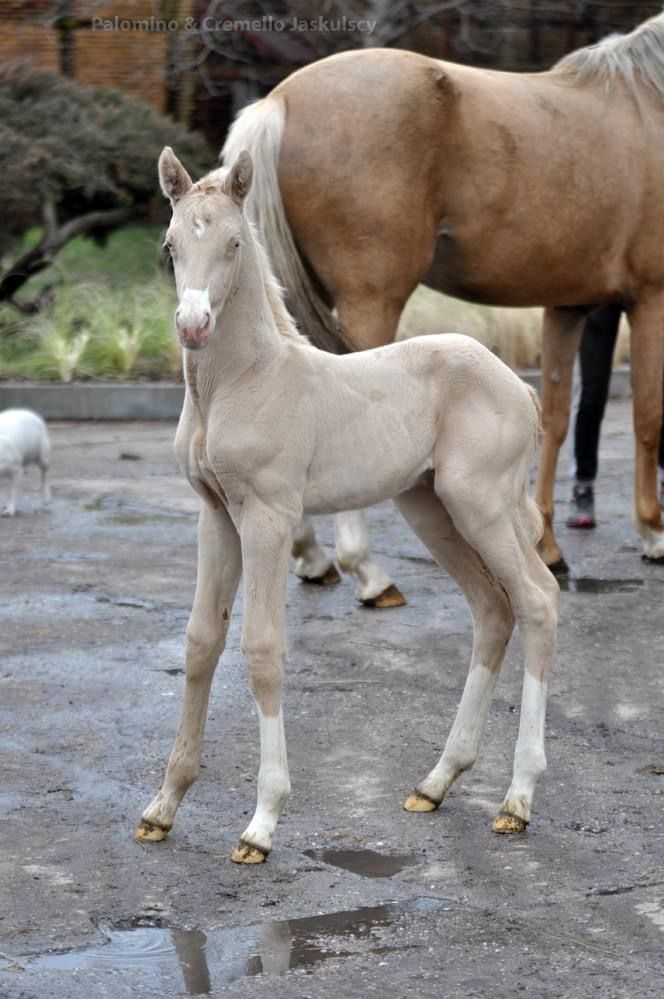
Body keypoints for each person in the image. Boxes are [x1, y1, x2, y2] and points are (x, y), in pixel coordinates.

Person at [567, 304, 664, 528]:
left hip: (648, 280)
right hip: (599, 287)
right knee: (591, 391)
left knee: (660, 386)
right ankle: (582, 485)